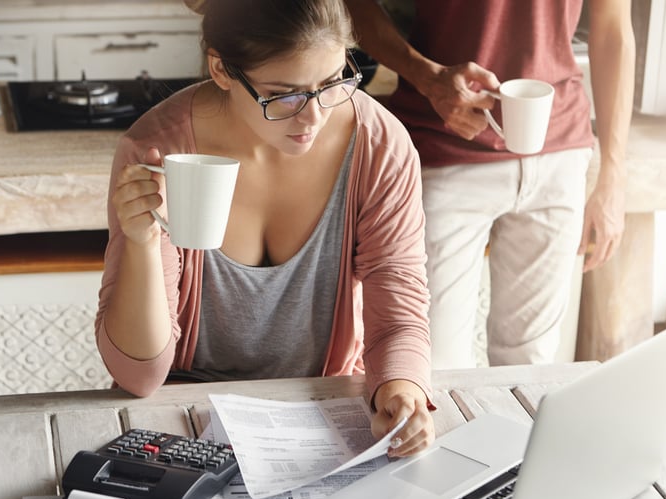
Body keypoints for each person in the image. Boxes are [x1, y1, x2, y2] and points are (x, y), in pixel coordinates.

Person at [94, 0, 435, 456]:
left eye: (333, 83)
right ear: (221, 69)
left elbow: (396, 303)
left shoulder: (380, 145)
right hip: (181, 418)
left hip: (320, 411)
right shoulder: (157, 151)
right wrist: (142, 241)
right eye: (286, 94)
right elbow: (139, 378)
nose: (314, 116)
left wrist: (402, 389)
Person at [344, 0, 635, 368]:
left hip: (558, 148)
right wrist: (427, 77)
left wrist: (613, 175)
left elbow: (614, 29)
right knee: (431, 366)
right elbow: (352, 6)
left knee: (531, 367)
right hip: (444, 149)